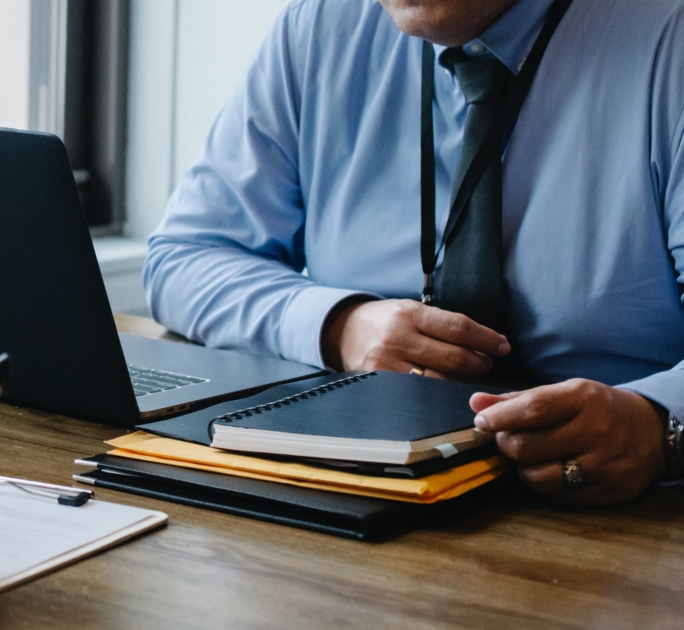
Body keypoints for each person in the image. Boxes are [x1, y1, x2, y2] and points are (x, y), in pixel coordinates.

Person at [145, 0, 684, 505]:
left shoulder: (670, 34)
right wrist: (340, 327)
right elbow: (187, 257)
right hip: (358, 492)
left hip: (621, 521)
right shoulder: (323, 22)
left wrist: (660, 424)